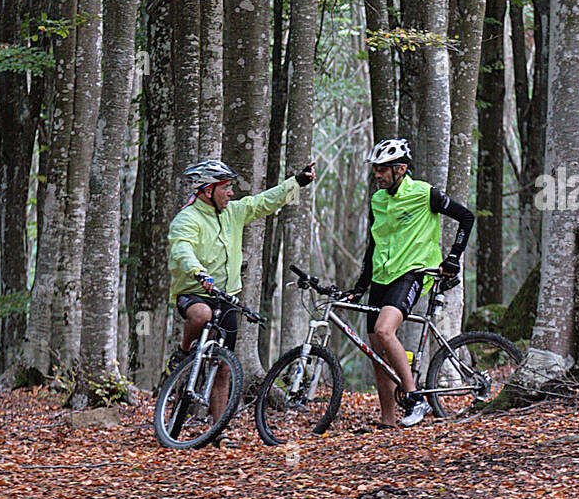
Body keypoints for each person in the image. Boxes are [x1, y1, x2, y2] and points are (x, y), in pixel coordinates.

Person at [168, 157, 316, 427]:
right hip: (195, 291)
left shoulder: (233, 213)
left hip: (226, 298)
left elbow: (264, 202)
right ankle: (183, 351)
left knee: (223, 367)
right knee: (201, 315)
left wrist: (297, 182)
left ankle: (217, 429)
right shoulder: (186, 218)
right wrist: (199, 272)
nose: (232, 192)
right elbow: (181, 249)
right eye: (226, 187)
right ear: (207, 190)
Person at [348, 137, 474, 428]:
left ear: (400, 169)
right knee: (376, 352)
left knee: (384, 329)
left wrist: (453, 258)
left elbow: (466, 217)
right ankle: (388, 421)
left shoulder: (422, 193)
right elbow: (373, 245)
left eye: (382, 169)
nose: (376, 174)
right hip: (381, 276)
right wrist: (360, 285)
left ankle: (416, 398)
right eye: (375, 169)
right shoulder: (378, 200)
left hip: (412, 272)